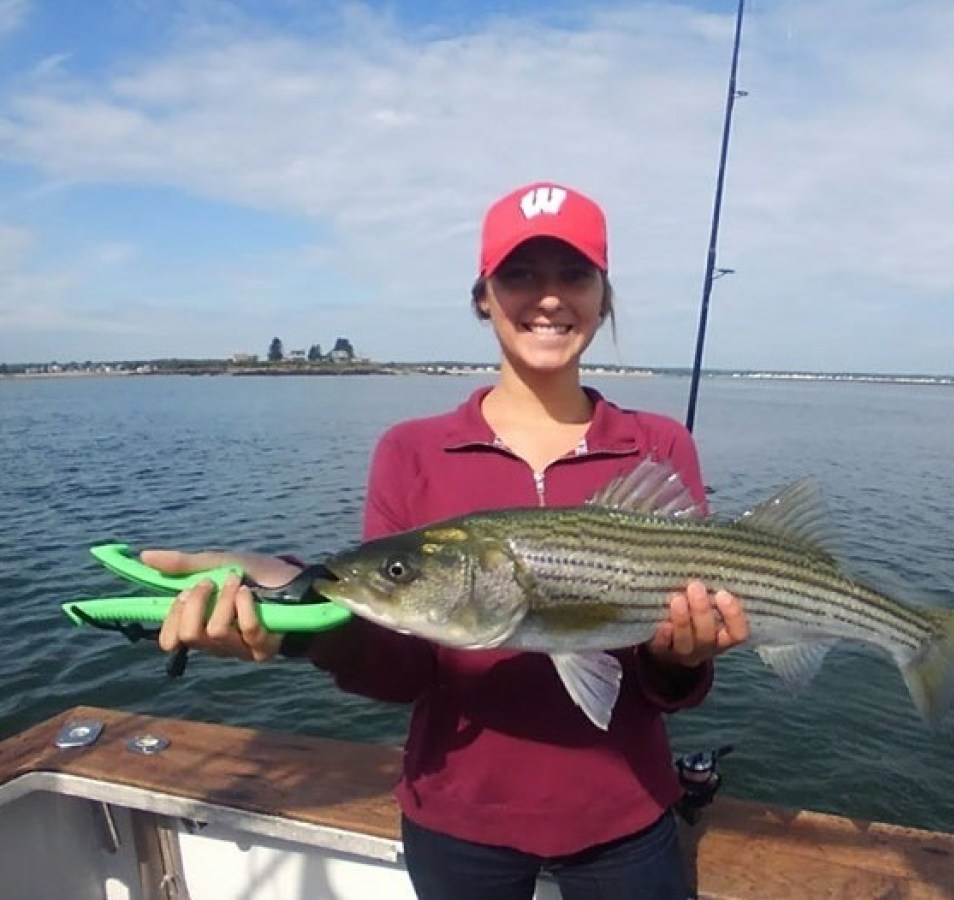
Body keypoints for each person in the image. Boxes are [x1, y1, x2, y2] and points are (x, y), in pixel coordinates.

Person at [143, 180, 750, 899]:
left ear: (603, 296)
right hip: (456, 819)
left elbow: (673, 688)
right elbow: (401, 670)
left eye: (573, 274)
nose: (548, 297)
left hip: (626, 811)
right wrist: (295, 627)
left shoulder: (659, 445)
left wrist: (679, 660)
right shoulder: (410, 451)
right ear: (483, 296)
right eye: (519, 274)